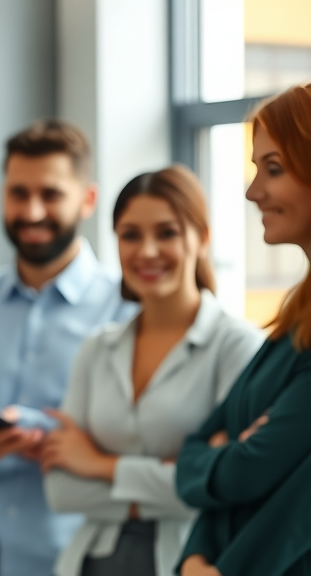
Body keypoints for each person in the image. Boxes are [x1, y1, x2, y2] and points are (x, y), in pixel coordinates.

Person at [0, 119, 136, 576]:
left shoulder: (127, 311)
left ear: (88, 200)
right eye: (19, 193)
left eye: (51, 194)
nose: (32, 210)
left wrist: (31, 429)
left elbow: (128, 441)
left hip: (78, 557)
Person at [40, 165, 263, 576]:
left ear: (203, 237)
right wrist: (180, 477)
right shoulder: (97, 348)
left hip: (189, 562)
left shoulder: (237, 346)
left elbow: (231, 483)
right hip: (88, 563)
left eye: (167, 232)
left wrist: (100, 464)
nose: (146, 251)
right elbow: (61, 488)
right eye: (130, 235)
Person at [176, 83, 311, 576]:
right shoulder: (296, 316)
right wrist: (194, 556)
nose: (253, 191)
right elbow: (203, 445)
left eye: (272, 169)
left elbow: (260, 481)